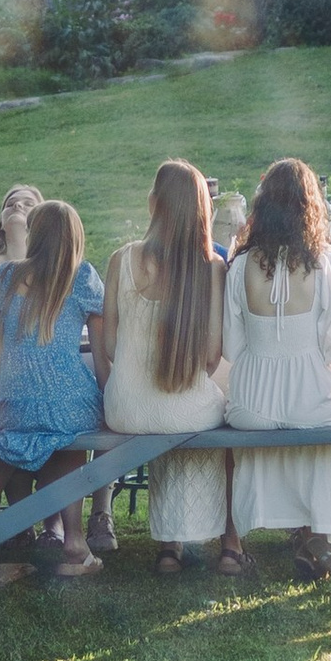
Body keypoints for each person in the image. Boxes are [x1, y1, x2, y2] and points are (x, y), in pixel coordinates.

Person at [222, 158, 331, 577]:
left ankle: (270, 537)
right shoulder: (326, 260)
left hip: (251, 403)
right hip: (310, 400)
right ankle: (322, 533)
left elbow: (232, 345)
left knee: (304, 422)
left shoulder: (240, 265)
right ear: (310, 206)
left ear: (263, 206)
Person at [95, 160, 229, 570]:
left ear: (153, 203)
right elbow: (211, 357)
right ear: (202, 211)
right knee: (209, 411)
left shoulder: (121, 259)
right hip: (181, 408)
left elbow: (111, 345)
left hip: (124, 407)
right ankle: (215, 541)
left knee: (171, 410)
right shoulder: (212, 267)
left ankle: (170, 544)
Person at [0, 198, 105, 574]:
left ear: (33, 236)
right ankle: (74, 539)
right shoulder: (83, 276)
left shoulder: (7, 275)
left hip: (15, 404)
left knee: (18, 440)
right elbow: (101, 354)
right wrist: (108, 400)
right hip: (69, 404)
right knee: (70, 433)